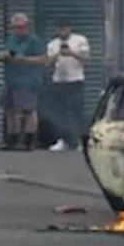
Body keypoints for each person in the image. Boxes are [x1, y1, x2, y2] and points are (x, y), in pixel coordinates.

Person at [0, 13, 48, 150]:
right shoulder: (11, 40)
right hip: (11, 80)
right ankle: (11, 140)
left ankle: (28, 141)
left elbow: (43, 60)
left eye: (22, 27)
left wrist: (23, 59)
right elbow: (4, 52)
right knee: (10, 110)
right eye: (16, 27)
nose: (20, 30)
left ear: (28, 26)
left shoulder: (34, 40)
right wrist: (3, 56)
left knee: (28, 110)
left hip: (28, 80)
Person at [45, 19, 91, 152]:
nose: (62, 31)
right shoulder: (52, 44)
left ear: (70, 28)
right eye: (59, 29)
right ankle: (63, 140)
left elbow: (87, 59)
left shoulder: (80, 40)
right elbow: (48, 64)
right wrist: (57, 54)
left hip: (76, 80)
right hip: (59, 81)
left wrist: (71, 53)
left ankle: (79, 141)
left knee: (77, 112)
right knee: (60, 113)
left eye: (65, 28)